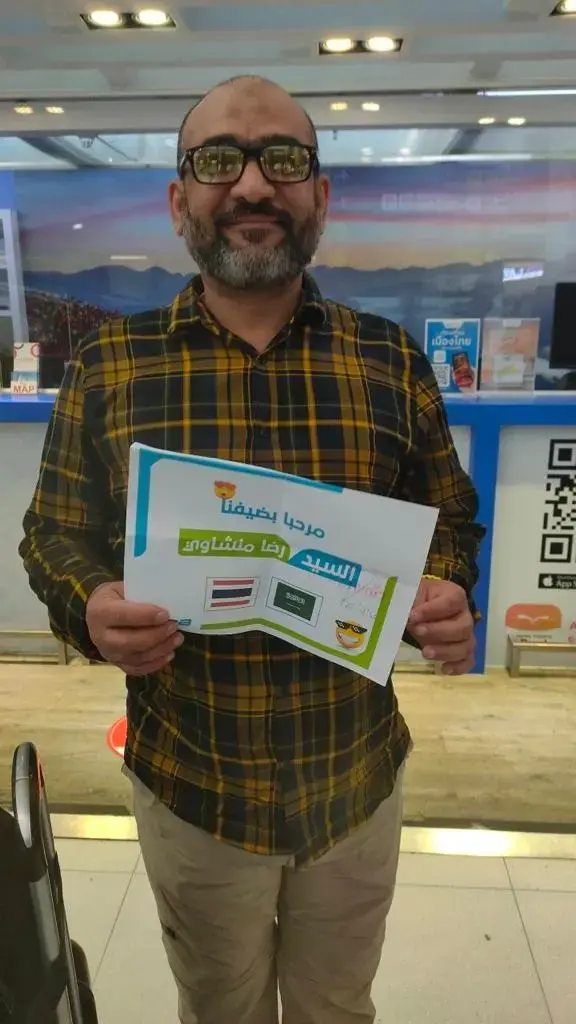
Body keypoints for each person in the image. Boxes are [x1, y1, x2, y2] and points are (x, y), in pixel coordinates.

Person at [20, 75, 485, 1024]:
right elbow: (53, 533)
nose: (252, 184)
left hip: (354, 778)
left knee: (336, 1006)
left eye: (282, 158)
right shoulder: (112, 365)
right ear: (179, 199)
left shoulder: (389, 359)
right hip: (193, 783)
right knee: (216, 1007)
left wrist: (443, 588)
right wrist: (91, 604)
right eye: (218, 160)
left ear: (320, 193)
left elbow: (448, 517)